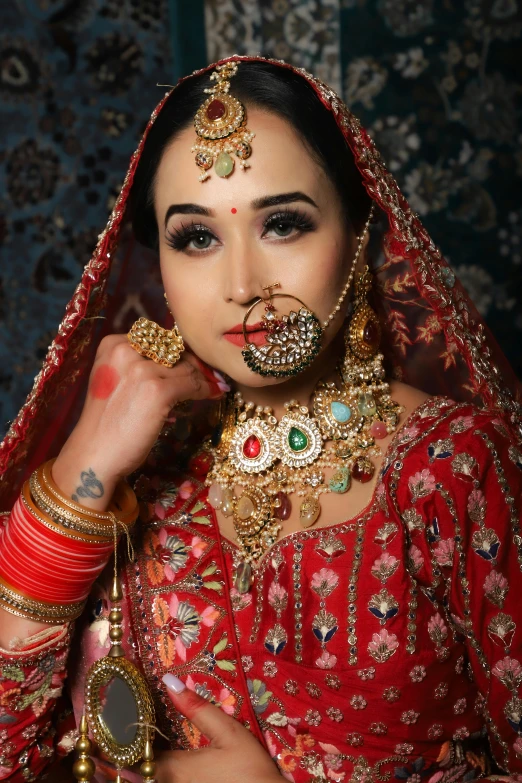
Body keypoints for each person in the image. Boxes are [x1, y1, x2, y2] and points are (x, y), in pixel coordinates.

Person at [0, 55, 521, 783]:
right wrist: (82, 470)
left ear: (360, 237)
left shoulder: (449, 466)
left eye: (283, 224)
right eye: (196, 237)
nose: (244, 285)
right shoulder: (151, 470)